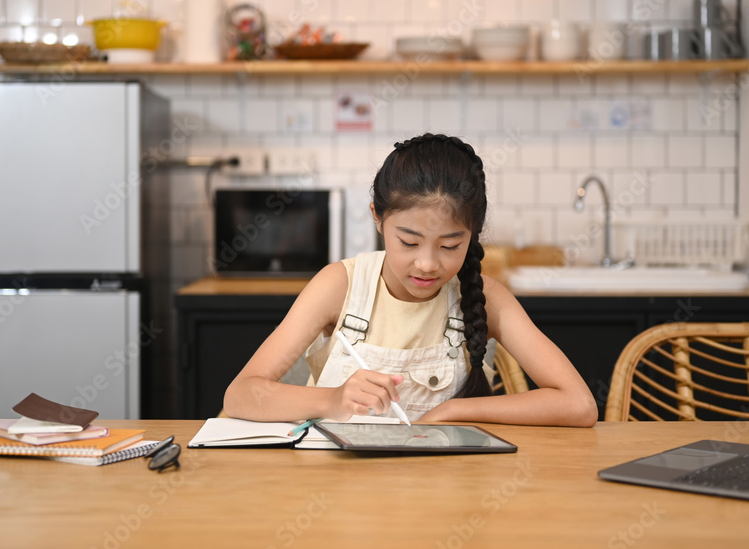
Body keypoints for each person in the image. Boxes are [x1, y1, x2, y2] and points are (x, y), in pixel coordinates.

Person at [224, 133, 598, 427]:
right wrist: (332, 400)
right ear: (377, 217)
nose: (427, 264)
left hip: (444, 499)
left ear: (473, 234)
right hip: (337, 500)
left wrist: (453, 412)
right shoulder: (340, 286)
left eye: (451, 245)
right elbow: (241, 394)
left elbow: (579, 405)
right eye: (408, 242)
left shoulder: (489, 298)